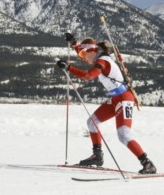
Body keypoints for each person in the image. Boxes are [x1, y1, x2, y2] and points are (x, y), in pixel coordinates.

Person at [56, 33, 157, 174]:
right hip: (115, 98)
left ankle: (147, 164)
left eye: (84, 54)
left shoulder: (102, 62)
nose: (82, 57)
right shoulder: (96, 56)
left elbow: (88, 76)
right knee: (92, 122)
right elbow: (82, 50)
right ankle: (97, 156)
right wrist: (74, 43)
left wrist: (69, 68)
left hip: (124, 98)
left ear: (93, 51)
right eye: (81, 55)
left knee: (123, 134)